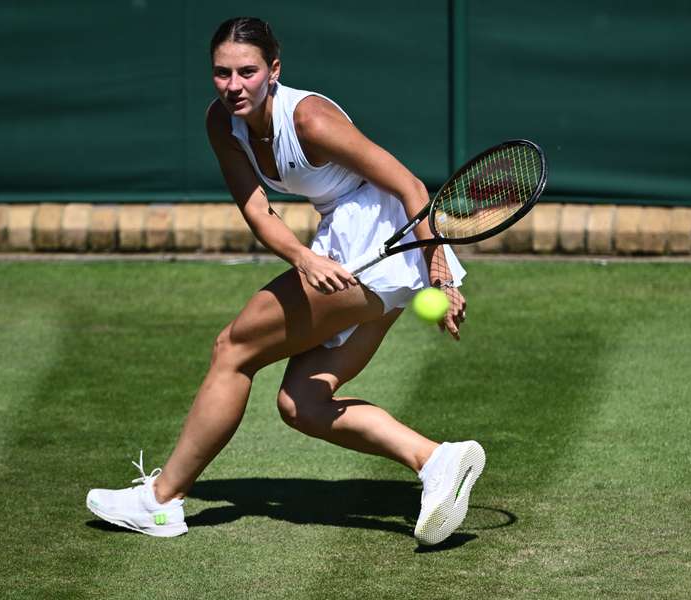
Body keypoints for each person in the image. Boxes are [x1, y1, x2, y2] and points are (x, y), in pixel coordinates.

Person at [85, 16, 485, 546]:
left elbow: (410, 185)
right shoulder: (222, 123)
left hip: (377, 239)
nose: (233, 86)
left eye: (246, 72)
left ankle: (161, 502)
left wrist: (439, 269)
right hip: (354, 249)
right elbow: (257, 209)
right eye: (221, 73)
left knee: (234, 347)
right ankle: (437, 461)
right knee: (302, 403)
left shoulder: (311, 119)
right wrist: (302, 257)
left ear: (273, 70)